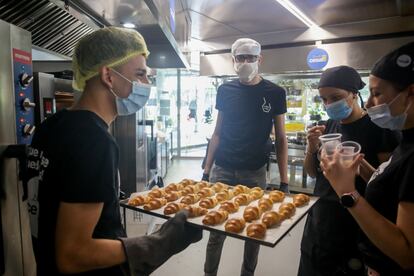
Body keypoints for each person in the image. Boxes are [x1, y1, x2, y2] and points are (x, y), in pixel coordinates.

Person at [27, 27, 201, 276]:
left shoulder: (52, 126)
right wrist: (160, 242)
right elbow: (72, 255)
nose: (147, 84)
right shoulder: (94, 141)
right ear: (108, 76)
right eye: (140, 74)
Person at [320, 42, 414, 275]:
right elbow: (391, 192)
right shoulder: (407, 143)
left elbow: (407, 254)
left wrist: (347, 192)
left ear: (410, 93)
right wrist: (361, 166)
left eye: (377, 93)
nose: (370, 103)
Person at [299, 66, 400, 276]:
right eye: (323, 99)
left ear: (354, 94)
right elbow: (311, 173)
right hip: (320, 220)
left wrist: (358, 166)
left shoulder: (378, 128)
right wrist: (311, 148)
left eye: (335, 97)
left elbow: (389, 187)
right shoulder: (328, 126)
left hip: (356, 222)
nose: (328, 104)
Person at [202, 38, 289, 276]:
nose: (245, 62)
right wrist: (206, 171)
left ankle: (247, 274)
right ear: (233, 61)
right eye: (240, 58)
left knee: (255, 231)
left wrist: (284, 182)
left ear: (260, 60)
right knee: (216, 231)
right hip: (223, 169)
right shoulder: (225, 90)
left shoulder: (275, 92)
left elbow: (281, 138)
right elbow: (217, 133)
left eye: (250, 57)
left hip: (255, 172)